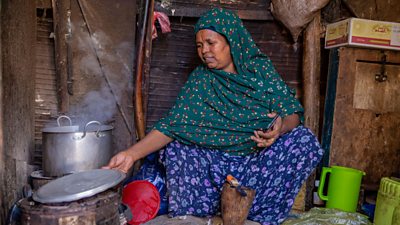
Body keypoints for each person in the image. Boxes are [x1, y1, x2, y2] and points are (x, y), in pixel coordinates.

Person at [104, 7, 324, 224]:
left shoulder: (260, 70)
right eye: (199, 45)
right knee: (176, 148)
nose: (204, 51)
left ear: (232, 42)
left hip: (257, 167)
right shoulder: (201, 79)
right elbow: (173, 126)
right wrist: (130, 155)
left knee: (304, 140)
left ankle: (257, 210)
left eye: (211, 43)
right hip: (213, 169)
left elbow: (291, 112)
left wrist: (280, 127)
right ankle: (209, 209)